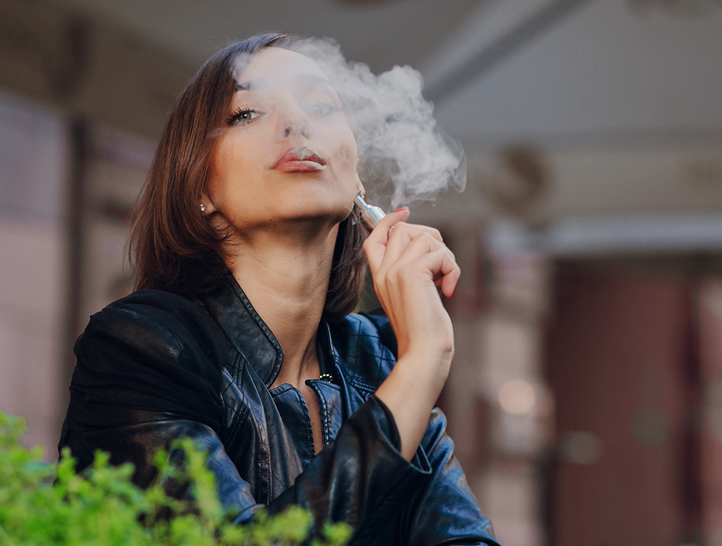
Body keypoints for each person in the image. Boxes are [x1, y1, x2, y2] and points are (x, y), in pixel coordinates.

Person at [58, 33, 498, 545]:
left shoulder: (377, 360)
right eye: (247, 113)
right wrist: (422, 364)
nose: (296, 123)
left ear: (355, 179)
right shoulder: (143, 348)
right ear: (198, 184)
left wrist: (408, 367)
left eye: (321, 105)